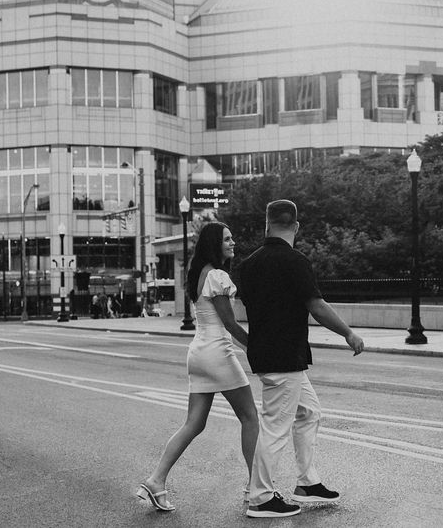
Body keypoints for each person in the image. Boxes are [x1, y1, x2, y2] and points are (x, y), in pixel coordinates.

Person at [234, 199, 365, 519]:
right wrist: (348, 333)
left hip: (269, 354)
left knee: (309, 412)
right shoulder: (296, 261)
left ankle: (307, 482)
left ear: (266, 225)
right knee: (276, 427)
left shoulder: (247, 265)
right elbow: (316, 305)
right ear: (296, 226)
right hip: (285, 356)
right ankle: (261, 497)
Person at [137, 222, 259, 512]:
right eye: (227, 239)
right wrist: (255, 349)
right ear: (214, 244)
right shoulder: (217, 275)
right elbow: (229, 323)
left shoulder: (199, 274)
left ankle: (156, 480)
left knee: (194, 423)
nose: (233, 243)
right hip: (218, 353)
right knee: (250, 417)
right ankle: (258, 488)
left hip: (198, 353)